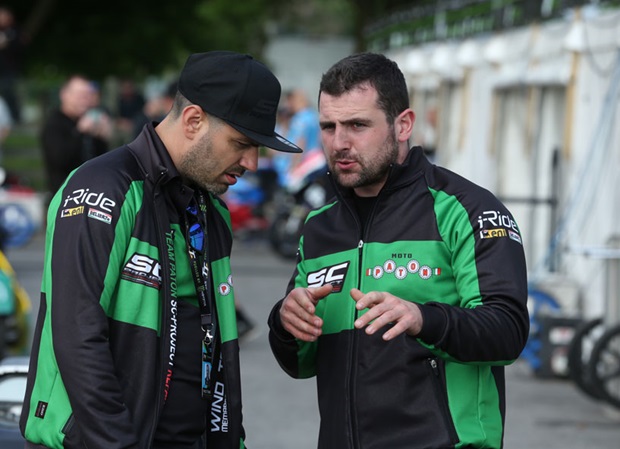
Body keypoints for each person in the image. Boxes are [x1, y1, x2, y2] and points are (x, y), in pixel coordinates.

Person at [20, 51, 301, 449]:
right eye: (242, 143)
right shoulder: (103, 188)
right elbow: (78, 336)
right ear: (193, 120)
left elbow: (214, 343)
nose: (252, 162)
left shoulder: (211, 210)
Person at [268, 52, 529, 449]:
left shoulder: (467, 209)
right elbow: (301, 363)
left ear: (402, 125)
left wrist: (423, 318)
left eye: (357, 125)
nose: (339, 142)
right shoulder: (320, 226)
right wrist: (285, 324)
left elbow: (507, 332)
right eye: (328, 126)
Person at [40, 75, 112, 196]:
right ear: (64, 95)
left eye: (88, 96)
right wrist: (80, 131)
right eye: (80, 95)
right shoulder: (55, 123)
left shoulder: (87, 121)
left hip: (91, 195)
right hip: (64, 198)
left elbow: (100, 160)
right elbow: (59, 160)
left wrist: (102, 137)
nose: (85, 100)